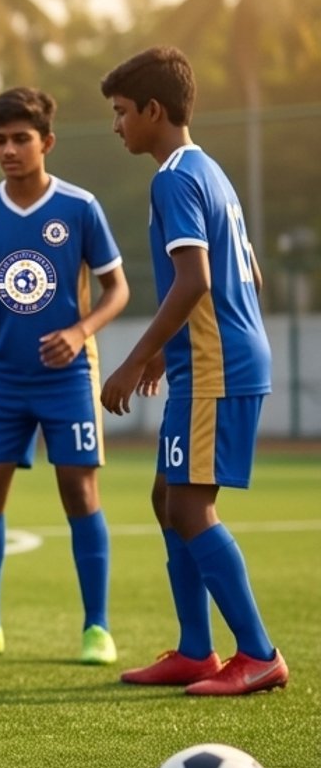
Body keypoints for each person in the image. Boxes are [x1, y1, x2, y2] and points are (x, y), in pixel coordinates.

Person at [98, 47, 288, 696]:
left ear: (154, 110)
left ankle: (258, 653)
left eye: (122, 113)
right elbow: (248, 272)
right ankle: (195, 648)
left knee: (189, 503)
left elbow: (195, 278)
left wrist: (131, 360)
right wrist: (165, 352)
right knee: (166, 496)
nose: (117, 125)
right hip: (213, 356)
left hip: (215, 364)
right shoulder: (210, 171)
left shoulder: (173, 178)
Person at [0, 87, 130, 665]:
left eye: (21, 139)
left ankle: (97, 627)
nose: (10, 150)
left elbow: (118, 289)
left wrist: (80, 331)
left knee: (79, 491)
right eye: (0, 140)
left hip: (67, 377)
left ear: (46, 142)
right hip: (3, 377)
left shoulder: (80, 206)